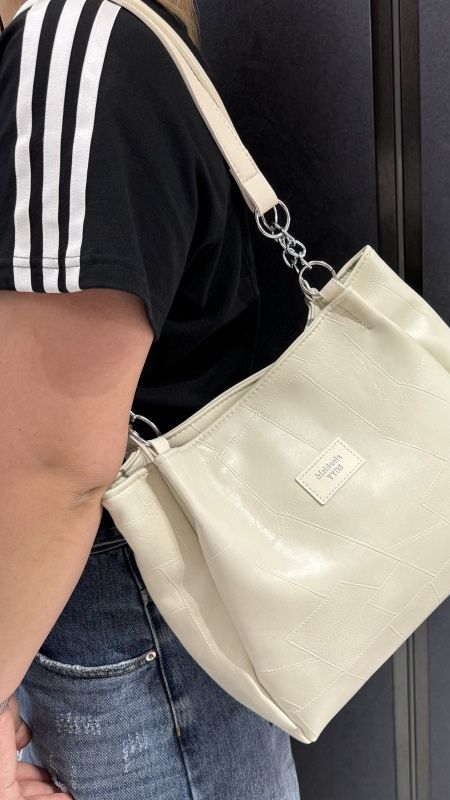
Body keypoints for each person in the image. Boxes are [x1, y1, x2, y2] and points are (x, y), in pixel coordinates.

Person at [0, 0, 302, 796]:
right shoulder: (86, 48)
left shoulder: (71, 53)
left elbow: (55, 465)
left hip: (117, 618)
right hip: (115, 609)